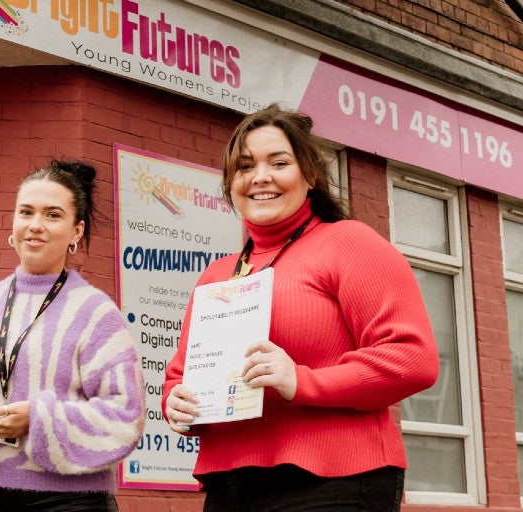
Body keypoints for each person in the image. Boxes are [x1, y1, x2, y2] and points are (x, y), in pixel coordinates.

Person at [162, 104, 439, 511]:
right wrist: (177, 403)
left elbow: (414, 359)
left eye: (279, 162)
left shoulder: (348, 243)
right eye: (244, 166)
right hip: (230, 484)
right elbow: (179, 375)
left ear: (310, 175)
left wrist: (301, 381)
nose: (260, 177)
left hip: (335, 480)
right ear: (230, 182)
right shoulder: (216, 275)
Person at [0, 160, 146, 512]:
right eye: (26, 212)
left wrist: (36, 420)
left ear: (76, 231)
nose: (35, 226)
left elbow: (126, 415)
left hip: (71, 501)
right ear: (13, 221)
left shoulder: (96, 313)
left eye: (52, 215)